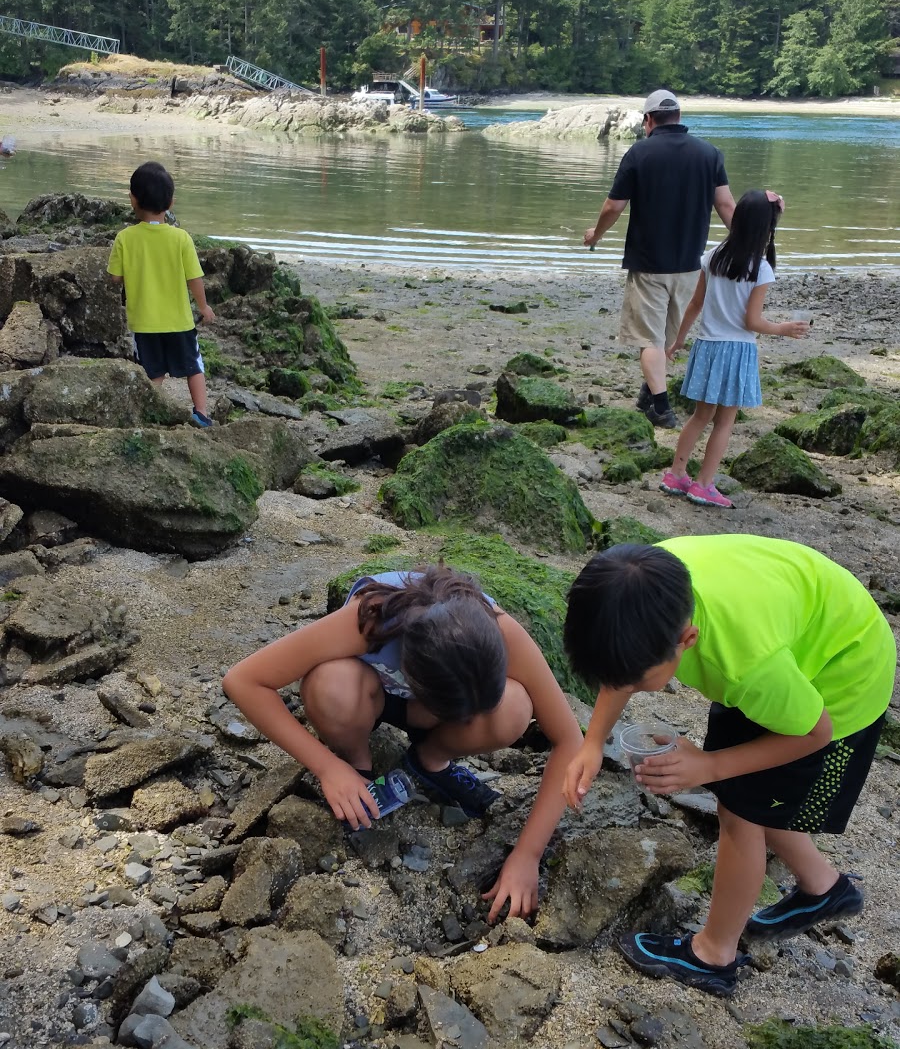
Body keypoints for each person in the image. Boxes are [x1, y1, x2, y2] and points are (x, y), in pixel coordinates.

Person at [562, 536, 896, 996]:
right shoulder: (644, 587)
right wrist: (592, 741)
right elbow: (622, 660)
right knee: (749, 791)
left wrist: (710, 767)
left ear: (687, 641)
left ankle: (713, 955)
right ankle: (825, 888)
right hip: (798, 638)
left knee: (741, 811)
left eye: (636, 680)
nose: (623, 685)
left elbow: (812, 732)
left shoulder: (746, 666)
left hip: (841, 680)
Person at [223, 565, 584, 922]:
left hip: (438, 711)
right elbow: (243, 680)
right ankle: (356, 764)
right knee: (329, 683)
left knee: (515, 706)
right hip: (368, 696)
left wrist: (527, 855)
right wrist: (327, 767)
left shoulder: (503, 633)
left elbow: (570, 742)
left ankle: (431, 759)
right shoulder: (374, 617)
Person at [583, 89, 736, 429]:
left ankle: (662, 408)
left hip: (648, 263)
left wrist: (597, 233)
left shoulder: (640, 152)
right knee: (666, 337)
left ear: (648, 120)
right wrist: (745, 245)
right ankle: (648, 394)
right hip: (689, 264)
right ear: (679, 117)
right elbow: (726, 206)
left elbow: (614, 206)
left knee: (649, 338)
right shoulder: (710, 154)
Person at [660, 190, 809, 509]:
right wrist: (782, 328)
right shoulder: (761, 268)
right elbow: (752, 321)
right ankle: (703, 485)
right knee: (724, 422)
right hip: (736, 351)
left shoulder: (713, 256)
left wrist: (678, 340)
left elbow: (695, 304)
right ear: (766, 228)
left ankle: (676, 474)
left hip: (708, 347)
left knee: (700, 417)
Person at [107, 161, 215, 427]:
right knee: (194, 367)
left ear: (133, 199)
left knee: (152, 371)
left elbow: (115, 277)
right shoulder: (181, 239)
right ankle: (200, 413)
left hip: (144, 322)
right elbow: (194, 278)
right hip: (179, 320)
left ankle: (147, 415)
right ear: (171, 202)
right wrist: (204, 307)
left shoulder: (125, 238)